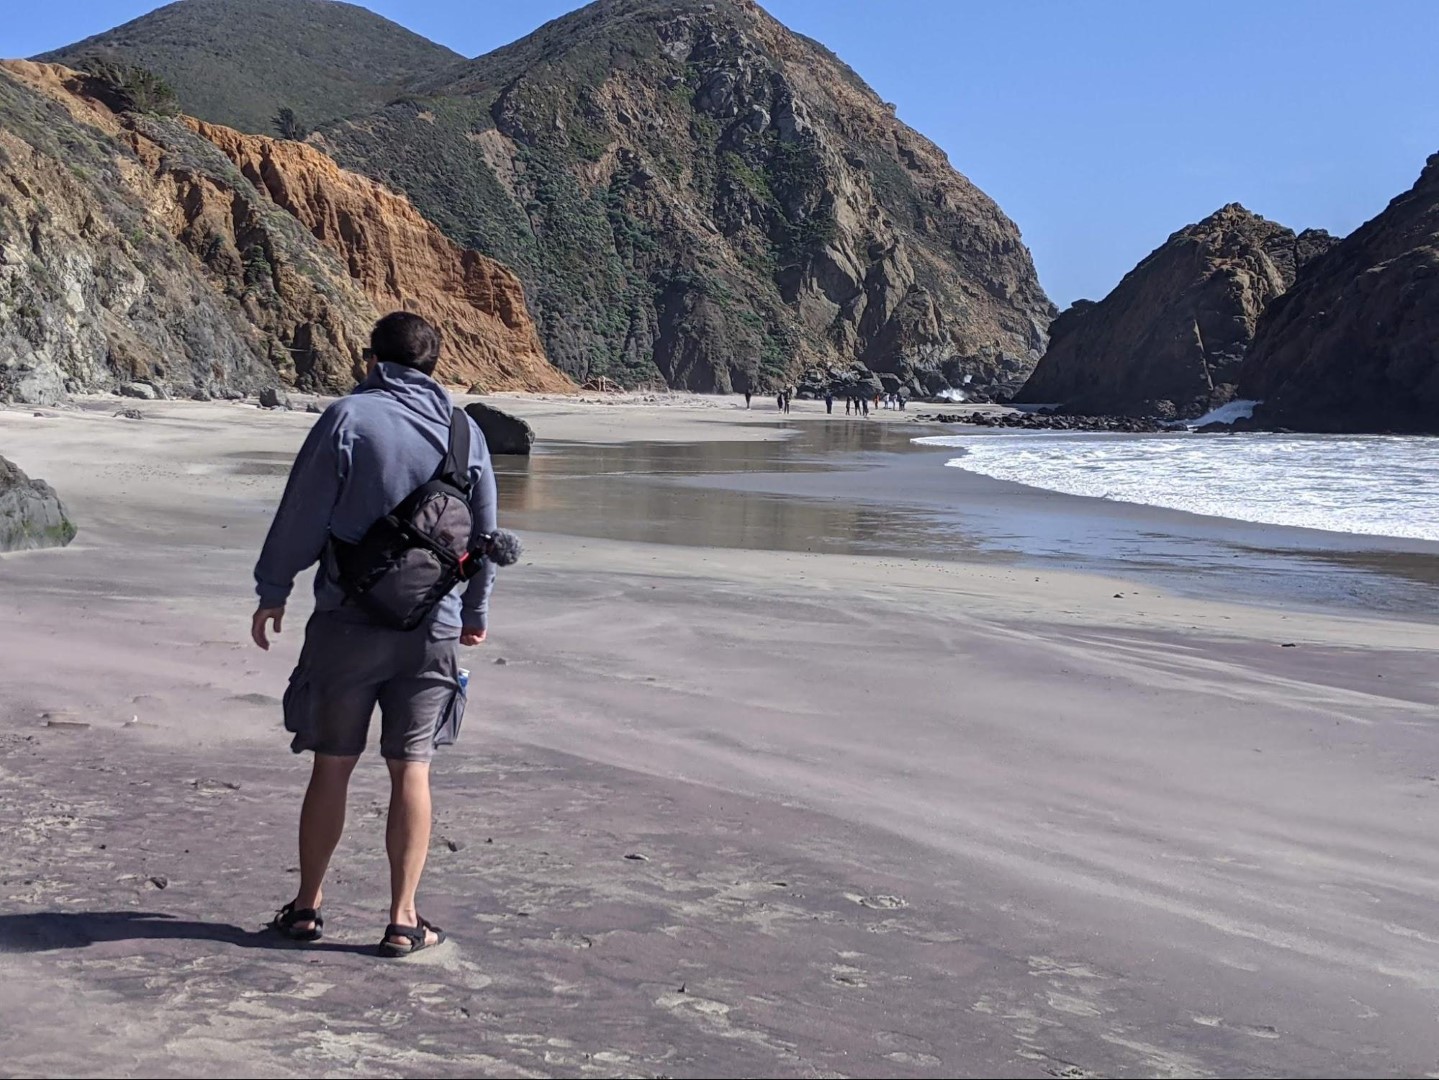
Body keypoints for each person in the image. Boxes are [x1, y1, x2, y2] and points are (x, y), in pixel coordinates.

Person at [251, 311, 497, 958]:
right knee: (411, 769)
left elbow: (302, 513)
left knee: (332, 766)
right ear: (434, 364)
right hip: (432, 627)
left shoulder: (349, 418)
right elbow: (485, 536)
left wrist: (272, 590)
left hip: (346, 621)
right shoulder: (465, 431)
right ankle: (402, 919)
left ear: (370, 359)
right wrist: (474, 613)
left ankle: (306, 909)